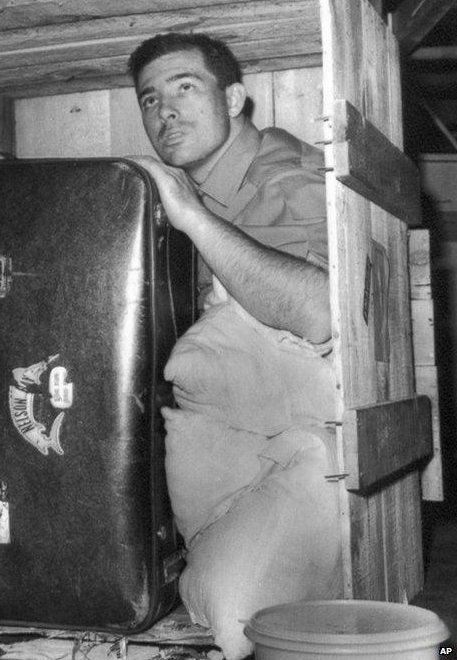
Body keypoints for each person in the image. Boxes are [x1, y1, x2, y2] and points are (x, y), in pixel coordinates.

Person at [128, 33, 343, 660]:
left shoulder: (283, 174)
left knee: (239, 613)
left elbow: (318, 311)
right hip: (218, 463)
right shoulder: (192, 178)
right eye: (149, 100)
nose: (164, 111)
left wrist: (193, 218)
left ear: (236, 98)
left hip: (300, 442)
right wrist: (1, 163)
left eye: (184, 89)